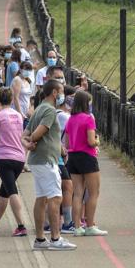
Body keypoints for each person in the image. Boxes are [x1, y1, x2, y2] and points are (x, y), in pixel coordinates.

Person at [23, 80, 76, 251]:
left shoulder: (38, 109)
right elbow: (38, 133)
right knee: (55, 197)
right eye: (61, 92)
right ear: (54, 92)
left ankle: (40, 238)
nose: (62, 96)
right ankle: (55, 238)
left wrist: (28, 144)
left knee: (42, 197)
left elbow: (25, 134)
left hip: (38, 160)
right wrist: (32, 141)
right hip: (47, 160)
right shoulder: (50, 111)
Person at [0, 88, 28, 237]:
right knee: (4, 193)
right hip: (19, 158)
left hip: (4, 158)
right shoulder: (18, 116)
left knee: (12, 191)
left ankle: (21, 225)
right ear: (11, 100)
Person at [65, 90, 107, 237]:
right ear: (85, 103)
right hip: (87, 157)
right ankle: (90, 225)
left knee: (77, 193)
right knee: (94, 193)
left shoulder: (70, 119)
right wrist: (97, 141)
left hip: (73, 156)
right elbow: (90, 141)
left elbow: (67, 142)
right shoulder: (89, 118)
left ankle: (77, 227)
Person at [56, 85, 76, 234]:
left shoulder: (53, 113)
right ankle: (67, 222)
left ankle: (50, 222)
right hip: (58, 156)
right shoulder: (63, 116)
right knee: (67, 186)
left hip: (57, 156)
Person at [11, 61, 34, 129]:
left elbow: (28, 98)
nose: (27, 71)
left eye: (29, 70)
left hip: (26, 112)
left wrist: (29, 110)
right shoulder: (17, 80)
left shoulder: (28, 81)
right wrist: (20, 113)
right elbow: (15, 97)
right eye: (25, 69)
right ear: (20, 69)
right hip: (17, 112)